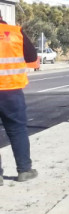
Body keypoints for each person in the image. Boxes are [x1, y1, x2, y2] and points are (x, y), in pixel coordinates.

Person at [0, 18, 38, 181]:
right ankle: (24, 170)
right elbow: (32, 58)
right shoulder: (16, 32)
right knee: (17, 130)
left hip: (11, 89)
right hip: (11, 90)